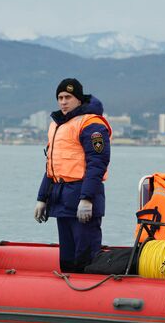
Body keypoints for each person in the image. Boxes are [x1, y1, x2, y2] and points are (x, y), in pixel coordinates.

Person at [34, 78, 111, 273]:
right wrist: (42, 198)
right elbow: (53, 165)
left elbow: (97, 163)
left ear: (79, 99)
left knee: (85, 254)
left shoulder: (91, 124)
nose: (63, 101)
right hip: (61, 198)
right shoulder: (57, 125)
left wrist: (87, 198)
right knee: (67, 257)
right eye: (60, 97)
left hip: (81, 195)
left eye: (68, 97)